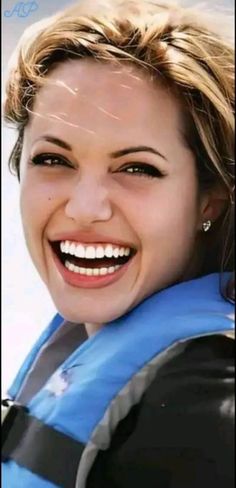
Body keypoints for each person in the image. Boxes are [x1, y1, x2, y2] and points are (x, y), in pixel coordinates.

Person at [2, 1, 235, 487]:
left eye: (137, 169)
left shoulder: (207, 409)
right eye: (53, 160)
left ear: (209, 199)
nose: (85, 208)